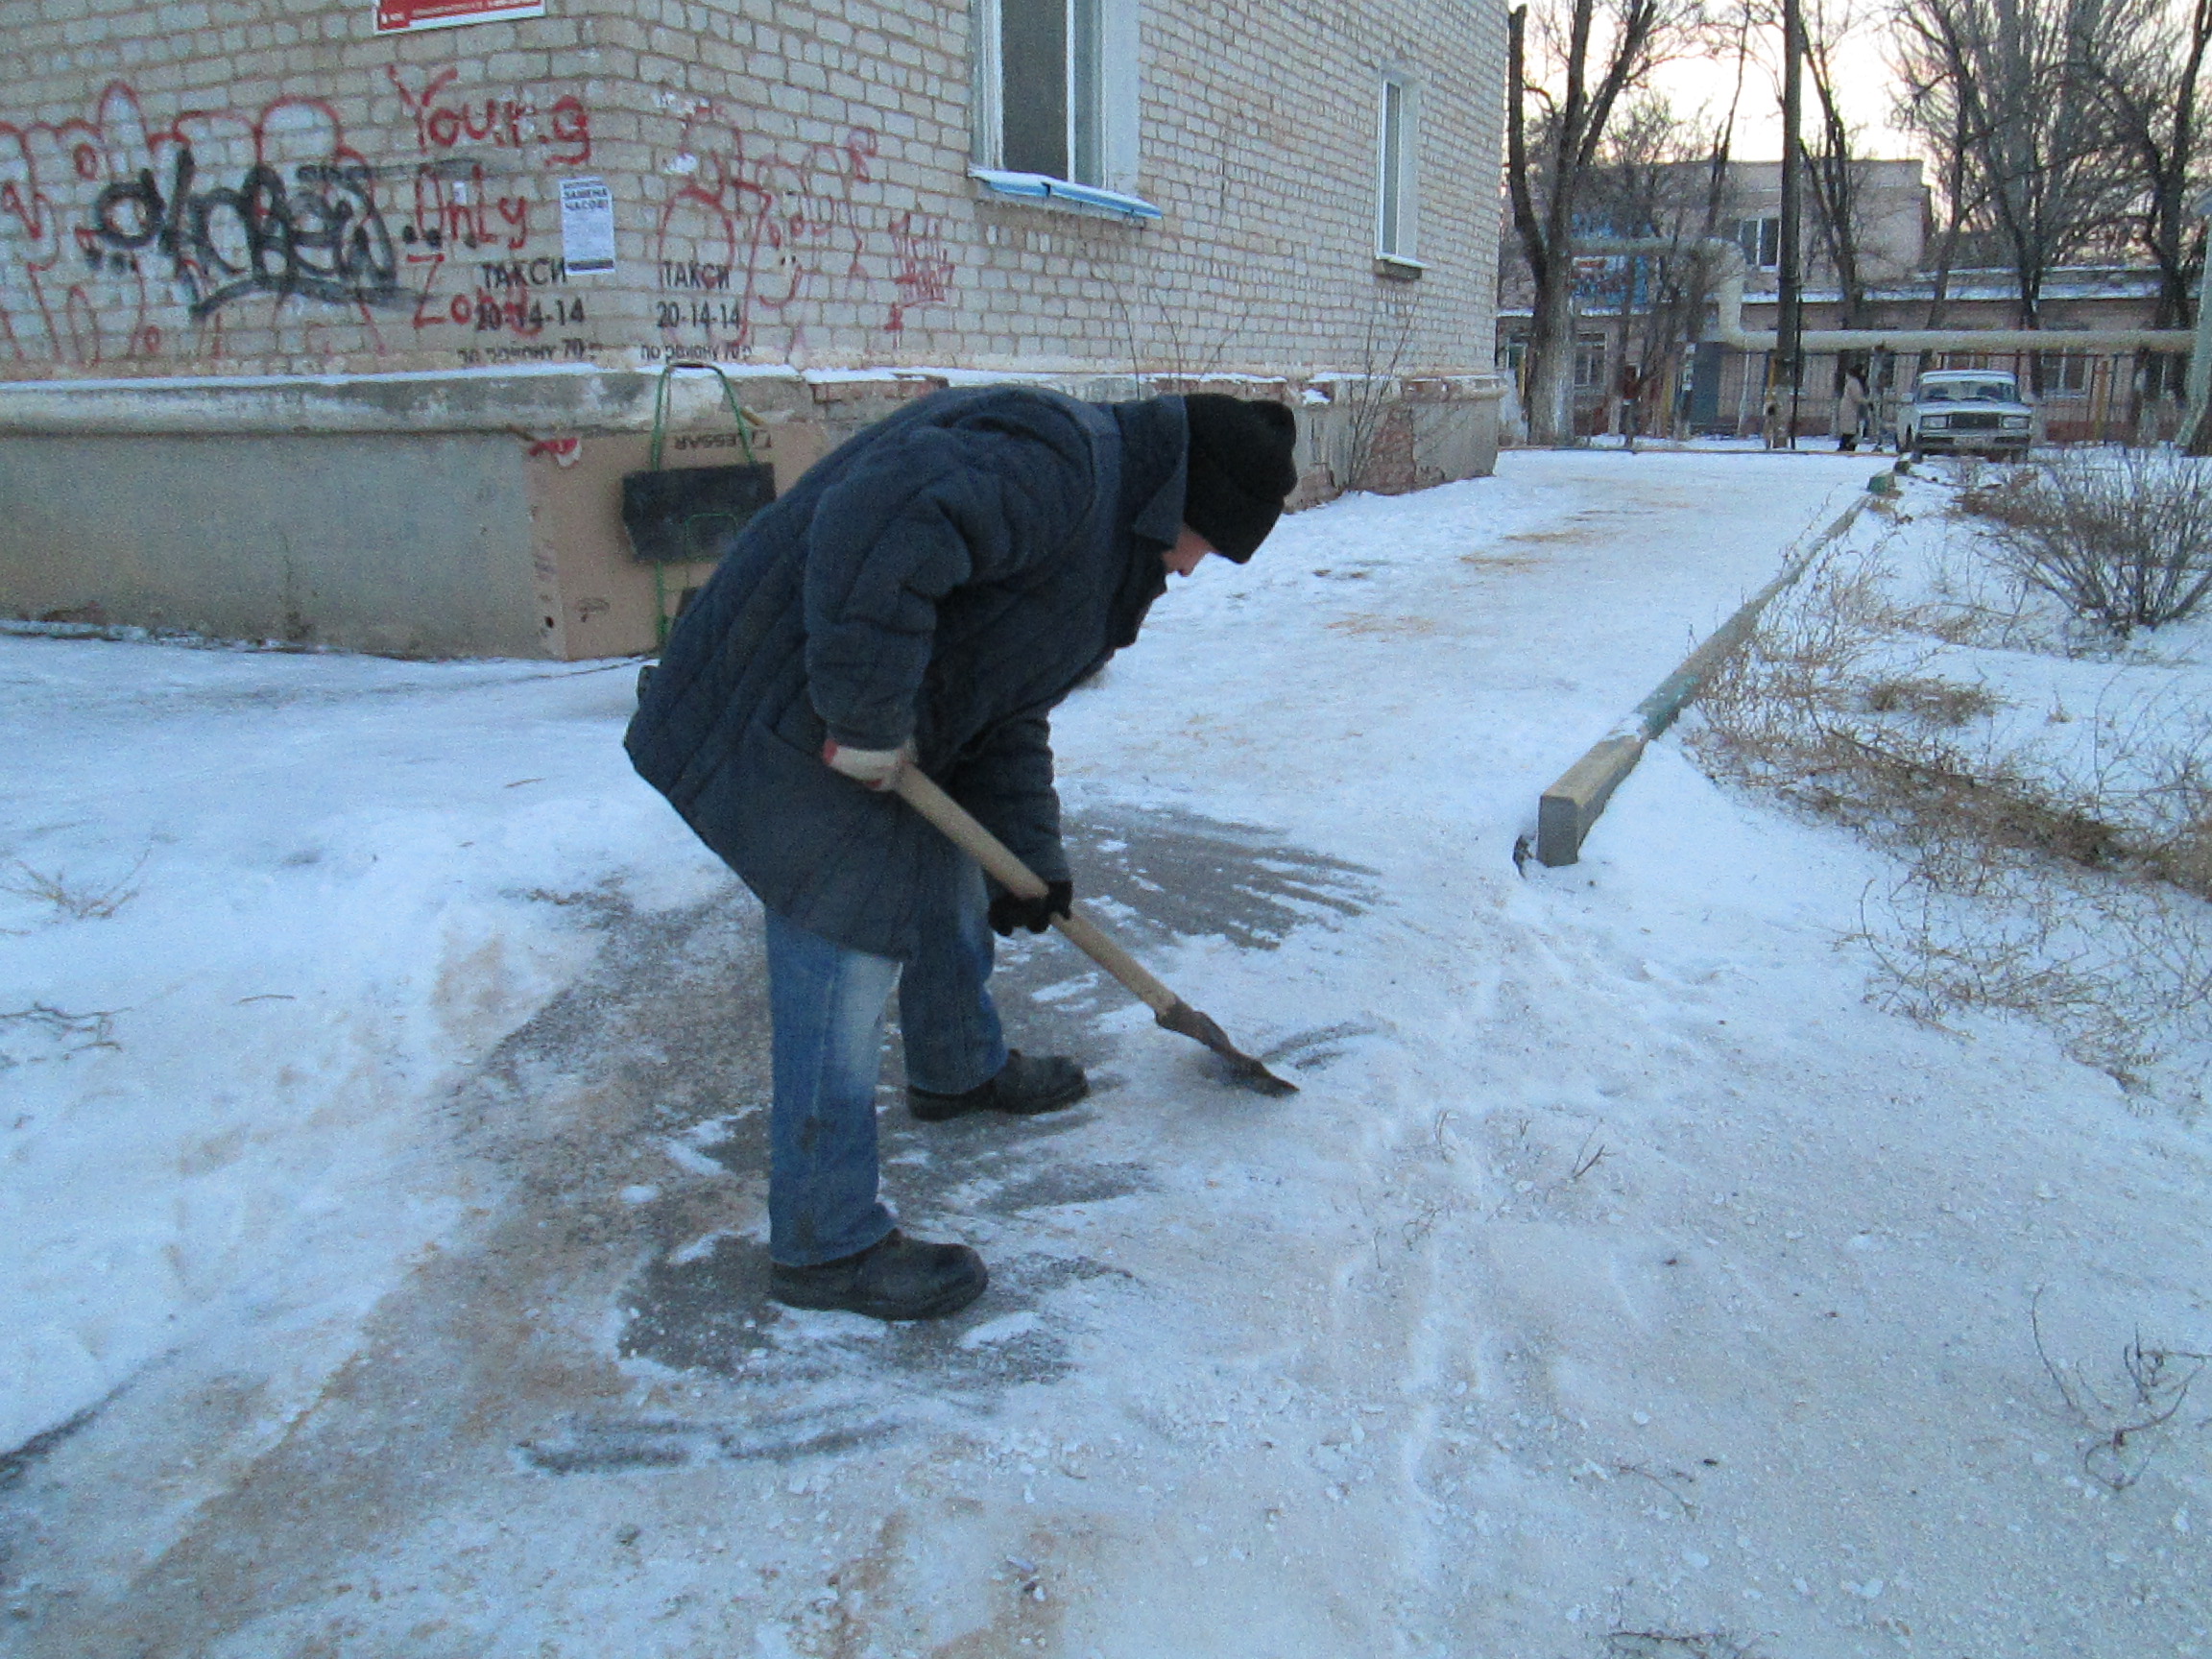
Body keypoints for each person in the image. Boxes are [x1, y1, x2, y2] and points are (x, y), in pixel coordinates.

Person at [624, 388, 1301, 1321]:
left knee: (948, 860)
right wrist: (865, 714)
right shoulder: (1060, 466)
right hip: (794, 691)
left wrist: (1031, 857)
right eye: (1209, 546)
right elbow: (880, 519)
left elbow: (1003, 703)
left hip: (872, 703)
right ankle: (826, 1241)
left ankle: (956, 1066)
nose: (1193, 569)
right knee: (842, 928)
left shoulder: (1111, 536)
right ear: (1186, 501)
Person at [1835, 364, 1869, 452]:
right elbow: (1856, 397)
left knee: (1850, 430)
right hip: (1850, 409)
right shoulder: (1854, 382)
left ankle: (1847, 447)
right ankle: (1845, 447)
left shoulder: (1851, 381)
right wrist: (1867, 402)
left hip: (1849, 408)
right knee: (1850, 431)